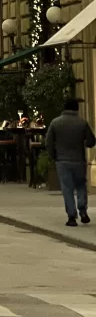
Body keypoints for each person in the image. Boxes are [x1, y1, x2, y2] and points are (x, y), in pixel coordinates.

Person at [46, 97, 96, 226]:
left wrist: (53, 155)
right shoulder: (82, 123)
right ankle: (83, 211)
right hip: (78, 160)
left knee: (67, 188)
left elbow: (48, 142)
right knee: (81, 185)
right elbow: (91, 141)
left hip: (62, 160)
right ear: (77, 109)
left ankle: (72, 216)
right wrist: (83, 143)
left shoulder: (55, 123)